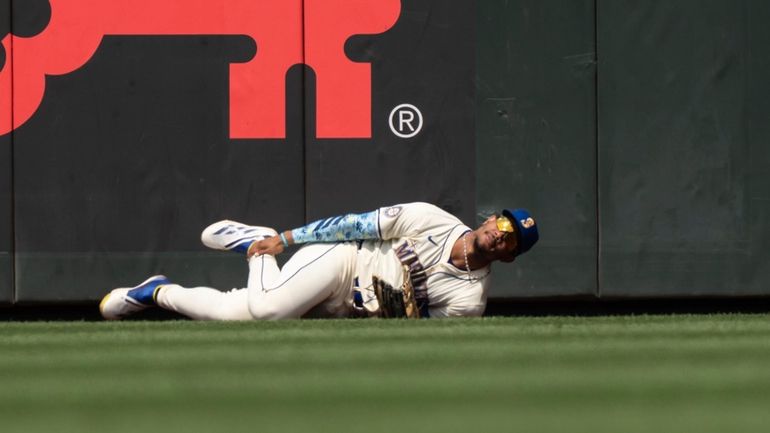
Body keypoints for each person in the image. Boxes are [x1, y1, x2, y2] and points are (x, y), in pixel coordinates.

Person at [99, 202, 539, 320]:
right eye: (502, 225)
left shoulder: (468, 302)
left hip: (350, 307)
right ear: (489, 218)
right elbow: (354, 225)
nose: (499, 236)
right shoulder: (431, 220)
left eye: (509, 240)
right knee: (269, 310)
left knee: (239, 315)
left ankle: (156, 291)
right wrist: (286, 239)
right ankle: (256, 244)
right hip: (340, 263)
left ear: (511, 258)